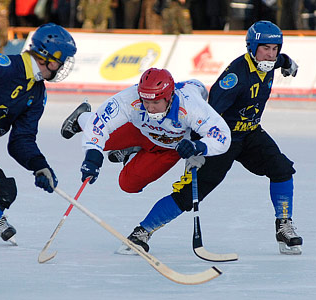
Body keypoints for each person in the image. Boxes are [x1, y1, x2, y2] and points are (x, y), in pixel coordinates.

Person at [122, 20, 302, 256]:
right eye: (265, 48)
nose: (270, 54)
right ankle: (142, 232)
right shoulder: (235, 77)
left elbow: (281, 60)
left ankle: (283, 226)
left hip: (250, 133)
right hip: (220, 139)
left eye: (274, 48)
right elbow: (207, 115)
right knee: (190, 194)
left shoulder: (270, 61)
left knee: (282, 169)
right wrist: (199, 147)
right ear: (252, 48)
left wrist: (287, 62)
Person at [0, 23, 77, 290]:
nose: (65, 67)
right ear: (50, 57)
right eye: (65, 60)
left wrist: (39, 166)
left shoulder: (37, 93)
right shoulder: (5, 66)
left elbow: (21, 141)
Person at [60, 68, 231, 221]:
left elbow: (222, 136)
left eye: (156, 103)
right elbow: (99, 124)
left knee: (128, 185)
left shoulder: (191, 106)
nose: (150, 108)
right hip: (139, 131)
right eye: (146, 102)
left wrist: (197, 146)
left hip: (169, 148)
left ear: (169, 96)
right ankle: (81, 116)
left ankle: (132, 152)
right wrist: (92, 156)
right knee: (100, 142)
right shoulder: (130, 98)